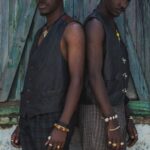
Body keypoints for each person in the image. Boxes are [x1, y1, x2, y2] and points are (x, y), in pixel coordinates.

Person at [11, 0, 85, 149]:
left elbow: (77, 81)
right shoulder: (41, 32)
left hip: (53, 121)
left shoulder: (72, 29)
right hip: (30, 121)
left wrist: (62, 126)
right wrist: (21, 123)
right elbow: (32, 79)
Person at [79, 0, 138, 150]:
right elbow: (94, 75)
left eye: (127, 1)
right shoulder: (95, 25)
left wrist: (127, 116)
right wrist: (111, 121)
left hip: (112, 110)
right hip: (97, 111)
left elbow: (116, 77)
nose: (124, 5)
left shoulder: (110, 24)